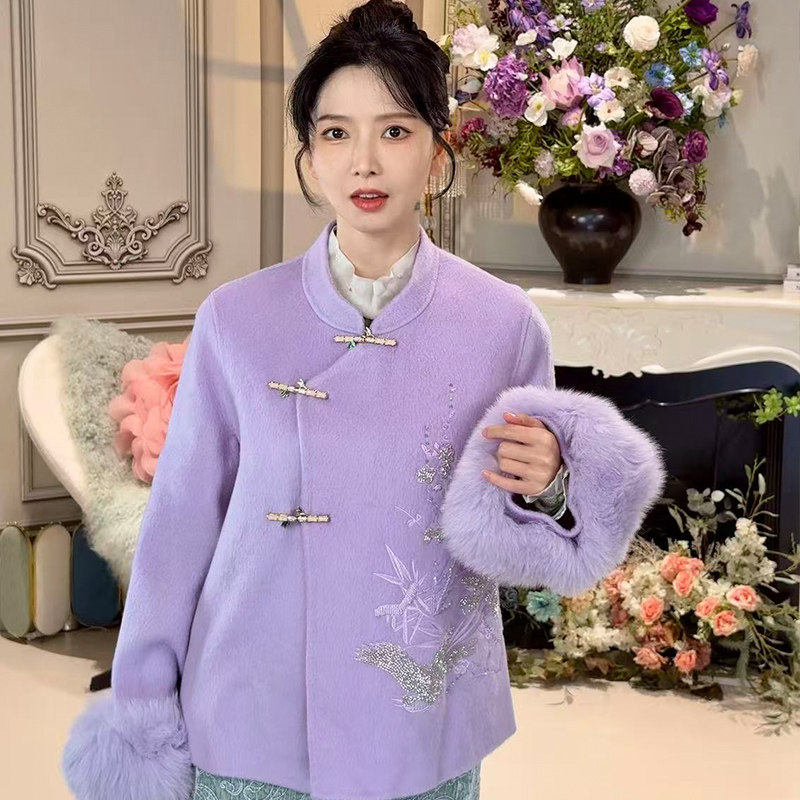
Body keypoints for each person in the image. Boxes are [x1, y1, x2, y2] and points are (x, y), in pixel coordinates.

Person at [60, 2, 666, 800]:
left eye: (395, 131)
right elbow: (180, 526)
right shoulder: (236, 321)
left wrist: (553, 483)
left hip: (419, 716)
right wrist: (141, 701)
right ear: (309, 158)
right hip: (249, 700)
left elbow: (524, 555)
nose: (364, 164)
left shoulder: (502, 325)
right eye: (336, 134)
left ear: (437, 152)